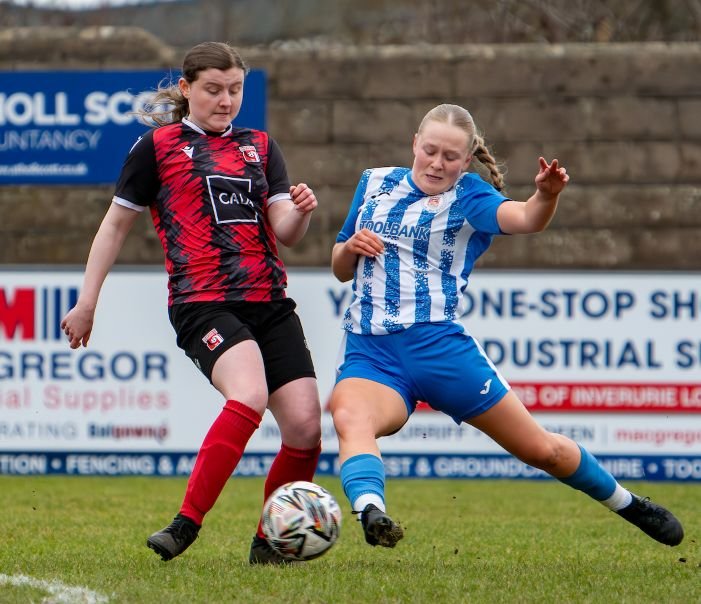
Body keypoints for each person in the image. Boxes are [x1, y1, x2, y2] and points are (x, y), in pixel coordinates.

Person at [329, 103, 684, 550]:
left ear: (466, 159)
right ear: (414, 144)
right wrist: (350, 249)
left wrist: (547, 196)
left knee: (542, 450)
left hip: (438, 348)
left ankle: (628, 503)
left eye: (451, 157)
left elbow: (525, 219)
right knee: (350, 417)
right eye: (431, 151)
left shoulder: (469, 196)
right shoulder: (374, 182)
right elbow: (341, 266)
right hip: (372, 350)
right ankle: (370, 511)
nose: (438, 163)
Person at [60, 41, 323, 565]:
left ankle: (271, 545)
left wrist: (303, 211)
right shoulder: (157, 146)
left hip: (269, 300)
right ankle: (185, 524)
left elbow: (285, 233)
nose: (226, 100)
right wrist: (87, 301)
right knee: (247, 396)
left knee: (306, 426)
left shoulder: (261, 146)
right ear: (186, 89)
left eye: (235, 90)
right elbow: (113, 227)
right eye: (213, 90)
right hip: (203, 302)